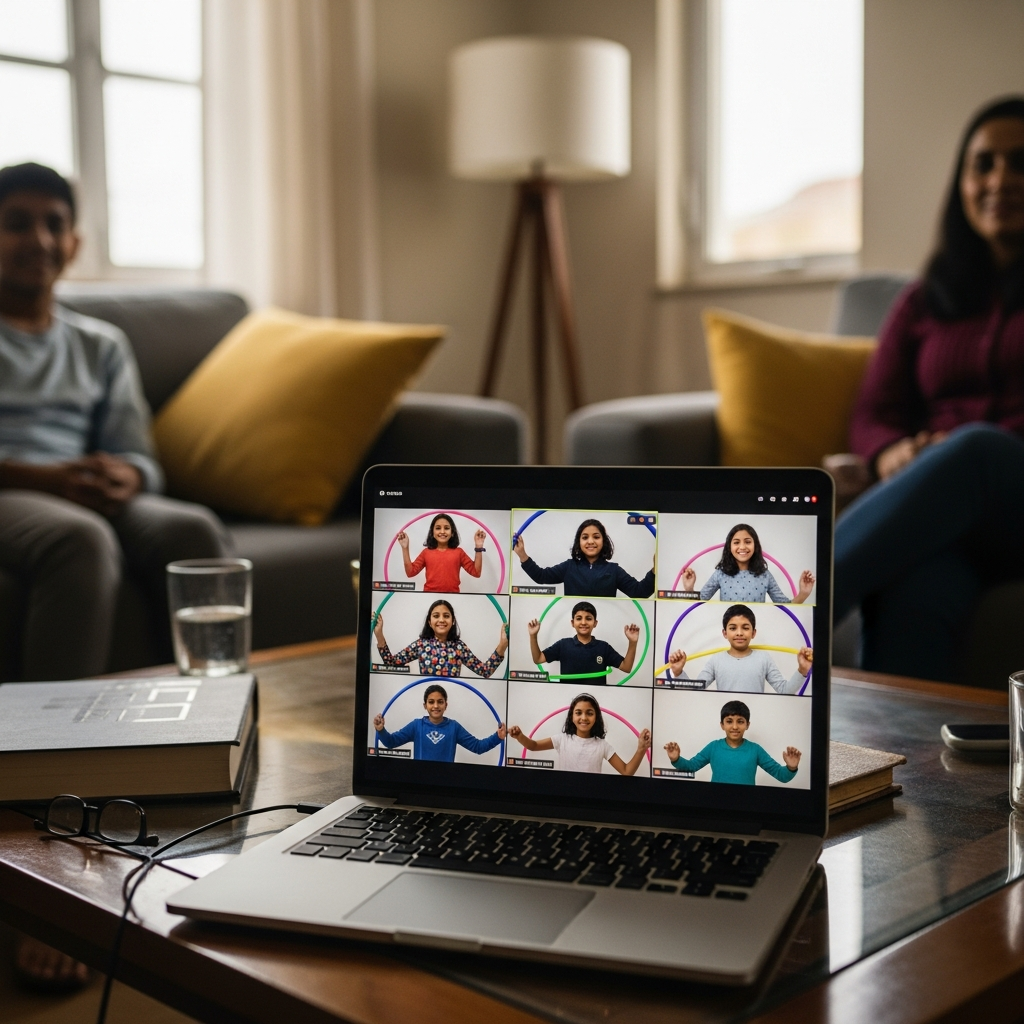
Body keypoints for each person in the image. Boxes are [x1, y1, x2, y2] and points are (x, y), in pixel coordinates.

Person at [0, 162, 229, 681]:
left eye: (54, 224)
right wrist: (45, 480)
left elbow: (137, 454)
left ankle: (213, 709)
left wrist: (128, 476)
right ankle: (53, 730)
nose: (39, 240)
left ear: (74, 243)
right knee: (80, 540)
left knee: (193, 528)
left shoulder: (100, 345)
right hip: (15, 490)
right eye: (17, 224)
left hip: (80, 488)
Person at [835, 97, 1024, 681]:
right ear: (961, 183)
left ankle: (783, 608)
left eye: (1020, 163)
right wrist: (893, 453)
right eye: (983, 164)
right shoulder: (923, 300)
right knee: (916, 584)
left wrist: (951, 450)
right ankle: (899, 747)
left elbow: (976, 451)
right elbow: (874, 412)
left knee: (975, 449)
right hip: (953, 515)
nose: (1000, 180)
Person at [664, 604, 812, 694]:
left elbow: (785, 690)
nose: (739, 633)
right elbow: (696, 690)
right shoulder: (716, 660)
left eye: (745, 628)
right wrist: (678, 672)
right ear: (725, 633)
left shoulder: (764, 659)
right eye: (733, 628)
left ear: (753, 633)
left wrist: (802, 670)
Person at [509, 692, 651, 775]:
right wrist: (520, 736)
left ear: (596, 717)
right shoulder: (561, 740)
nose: (584, 718)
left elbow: (626, 771)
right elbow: (533, 746)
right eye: (578, 713)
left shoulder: (602, 746)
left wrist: (641, 749)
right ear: (572, 716)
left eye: (589, 713)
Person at [663, 700, 801, 785]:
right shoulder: (713, 747)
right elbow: (691, 767)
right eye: (729, 721)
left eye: (740, 721)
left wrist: (791, 768)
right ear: (722, 725)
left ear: (747, 725)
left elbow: (781, 775)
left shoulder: (755, 750)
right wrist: (676, 759)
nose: (735, 727)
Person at [514, 517, 655, 598]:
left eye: (596, 537)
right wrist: (522, 554)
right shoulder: (569, 567)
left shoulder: (614, 570)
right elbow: (541, 576)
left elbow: (640, 592)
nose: (591, 541)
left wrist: (655, 569)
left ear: (604, 541)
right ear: (579, 542)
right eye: (585, 537)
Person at [681, 523, 814, 603]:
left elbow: (785, 607)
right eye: (736, 542)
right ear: (729, 547)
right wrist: (689, 589)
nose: (742, 547)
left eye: (748, 542)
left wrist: (803, 593)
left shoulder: (765, 575)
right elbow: (699, 603)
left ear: (755, 545)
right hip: (729, 630)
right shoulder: (721, 574)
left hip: (757, 630)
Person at [373, 599, 508, 677]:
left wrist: (503, 645)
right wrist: (379, 634)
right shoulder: (421, 645)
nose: (441, 620)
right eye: (436, 616)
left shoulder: (459, 647)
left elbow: (485, 671)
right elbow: (390, 663)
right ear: (429, 622)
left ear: (453, 621)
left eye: (446, 616)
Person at [374, 683, 506, 761]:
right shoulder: (416, 726)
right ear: (425, 705)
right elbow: (391, 742)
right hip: (419, 781)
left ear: (446, 705)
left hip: (445, 782)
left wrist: (497, 737)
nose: (436, 706)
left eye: (440, 702)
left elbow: (478, 747)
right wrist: (381, 730)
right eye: (431, 702)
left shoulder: (454, 727)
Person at [527, 601, 640, 682]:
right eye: (579, 618)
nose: (583, 622)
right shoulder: (563, 645)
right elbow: (538, 659)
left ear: (595, 623)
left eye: (588, 618)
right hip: (567, 695)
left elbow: (626, 667)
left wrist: (632, 642)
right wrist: (533, 635)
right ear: (573, 623)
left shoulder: (603, 647)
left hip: (597, 695)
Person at [398, 514, 484, 593]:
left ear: (452, 532)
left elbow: (476, 572)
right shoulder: (426, 552)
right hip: (429, 595)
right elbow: (410, 572)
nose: (442, 531)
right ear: (432, 533)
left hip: (453, 597)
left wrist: (479, 546)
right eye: (438, 528)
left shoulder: (459, 552)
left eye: (446, 528)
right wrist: (405, 548)